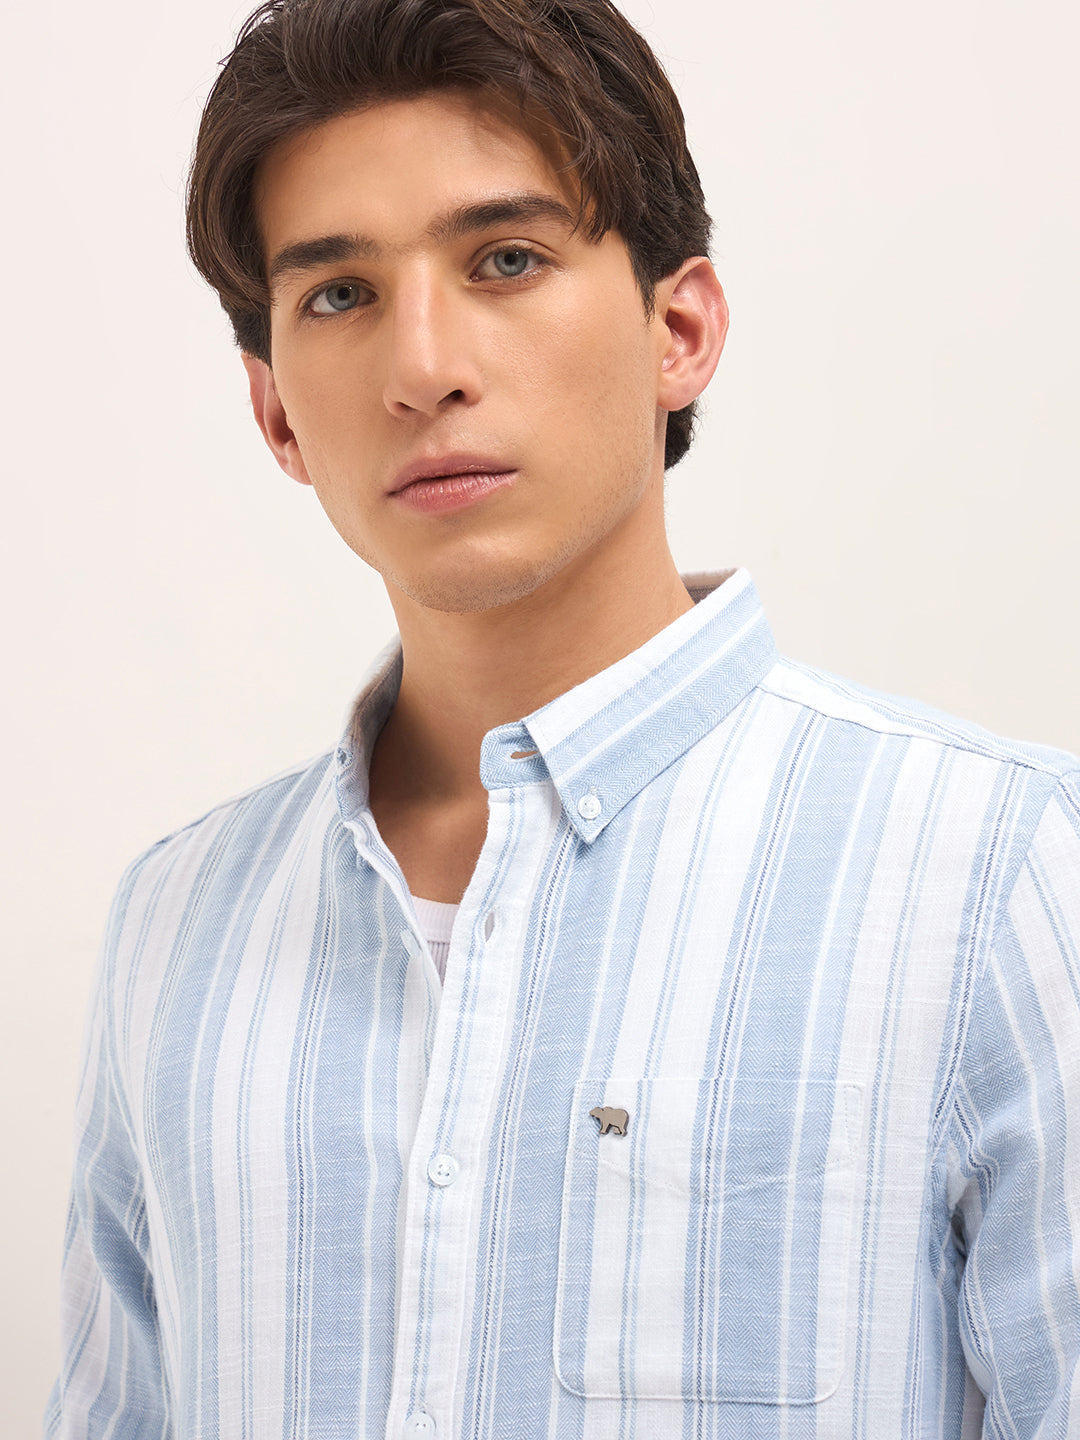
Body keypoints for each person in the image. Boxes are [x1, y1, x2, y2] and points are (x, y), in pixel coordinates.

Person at [46, 0, 1080, 1435]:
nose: (424, 367)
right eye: (338, 293)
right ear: (274, 410)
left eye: (507, 260)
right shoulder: (178, 927)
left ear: (681, 330)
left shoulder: (999, 872)